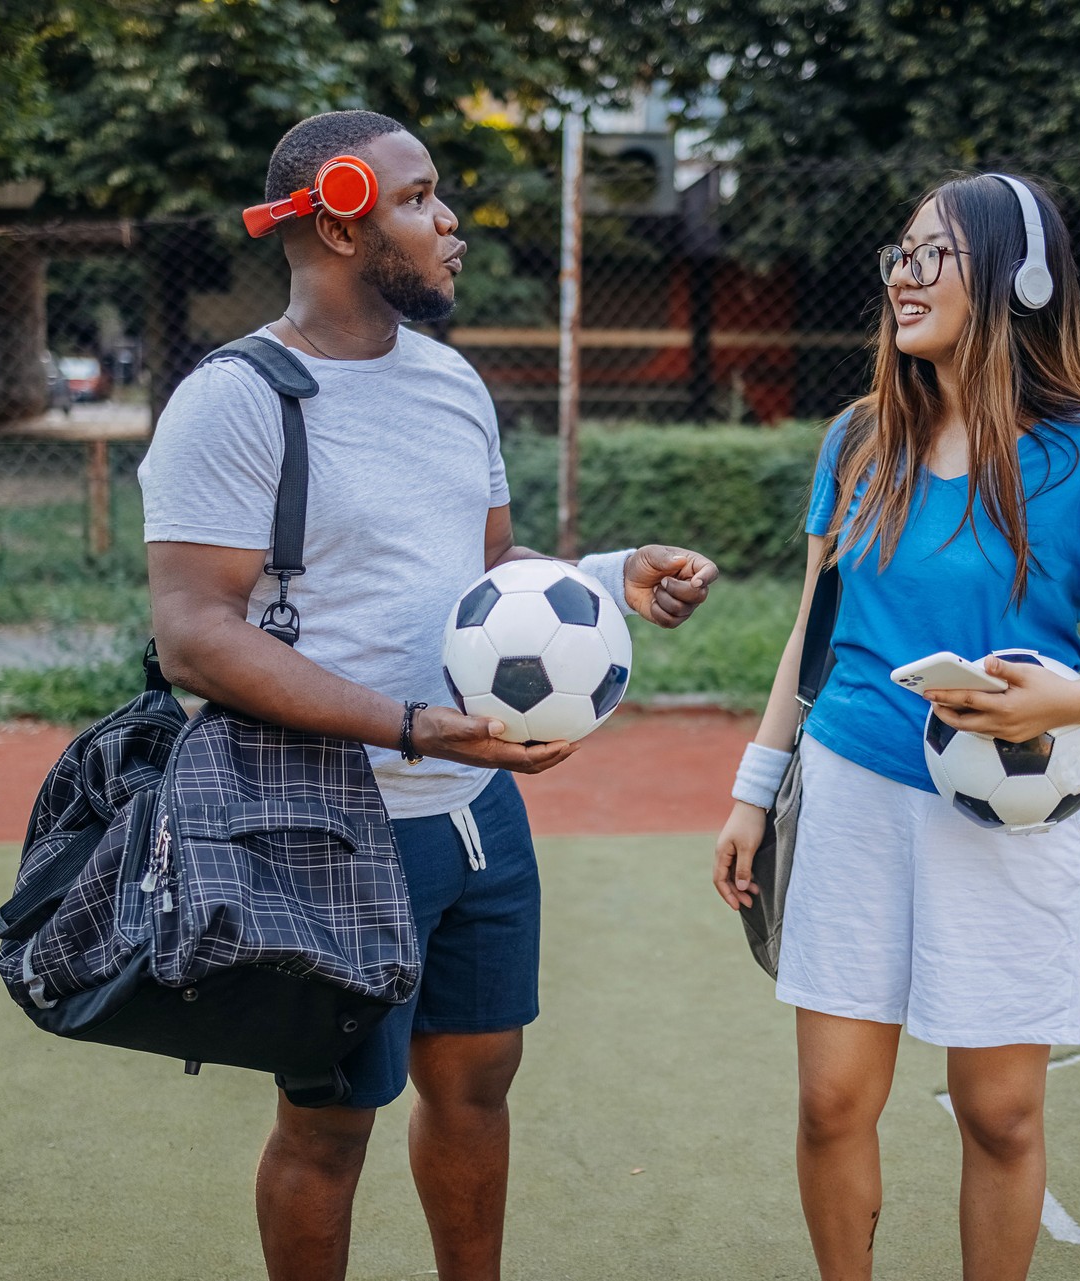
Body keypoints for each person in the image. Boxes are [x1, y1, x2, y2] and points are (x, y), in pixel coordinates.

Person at [138, 110, 719, 1281]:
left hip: (477, 810)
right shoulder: (237, 398)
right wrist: (403, 723)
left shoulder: (452, 383)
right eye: (419, 198)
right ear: (343, 221)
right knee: (329, 1121)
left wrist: (608, 579)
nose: (449, 220)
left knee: (477, 1082)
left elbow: (487, 582)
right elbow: (194, 636)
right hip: (334, 823)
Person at [711, 173, 1080, 1280]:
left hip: (1007, 816)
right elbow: (815, 630)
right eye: (899, 252)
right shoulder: (857, 440)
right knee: (832, 1101)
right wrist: (755, 789)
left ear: (1018, 280)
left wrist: (1063, 701)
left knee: (1000, 1116)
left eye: (933, 254)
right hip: (846, 790)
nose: (905, 274)